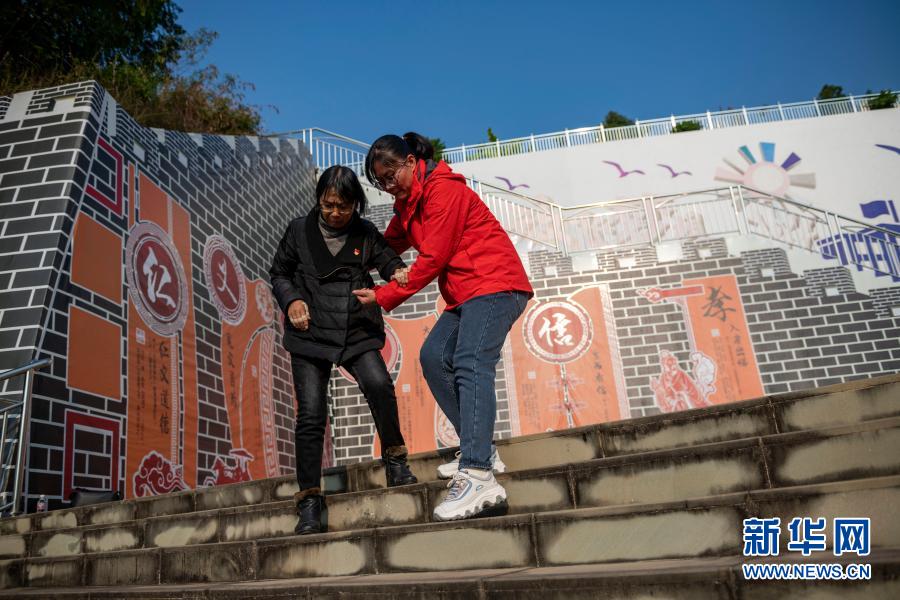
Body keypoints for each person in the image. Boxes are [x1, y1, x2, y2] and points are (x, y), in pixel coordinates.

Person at [353, 133, 533, 521]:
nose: (388, 186)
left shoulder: (443, 191)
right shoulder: (408, 205)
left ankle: (478, 474)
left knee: (470, 361)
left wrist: (383, 296)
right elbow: (387, 245)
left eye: (390, 177)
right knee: (434, 357)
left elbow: (433, 257)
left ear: (409, 163)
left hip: (496, 285)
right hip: (466, 294)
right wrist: (350, 261)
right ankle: (481, 448)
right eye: (381, 183)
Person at [270, 165, 417, 535]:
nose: (335, 212)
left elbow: (387, 260)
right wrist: (292, 301)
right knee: (311, 413)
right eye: (328, 205)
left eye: (344, 206)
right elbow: (280, 273)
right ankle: (309, 500)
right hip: (309, 330)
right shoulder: (298, 230)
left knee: (378, 384)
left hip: (355, 326)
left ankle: (396, 461)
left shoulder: (364, 232)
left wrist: (397, 271)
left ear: (356, 204)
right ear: (319, 200)